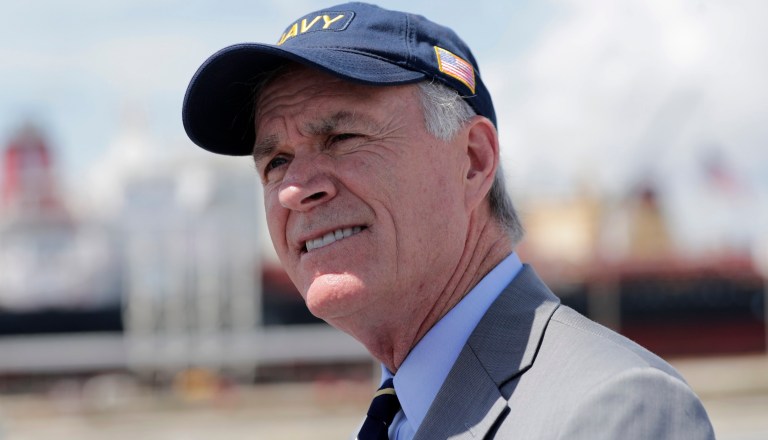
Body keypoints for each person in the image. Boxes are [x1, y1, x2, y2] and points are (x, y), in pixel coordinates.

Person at [182, 3, 715, 439]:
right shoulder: (399, 418)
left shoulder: (616, 411)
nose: (297, 189)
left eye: (342, 139)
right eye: (276, 162)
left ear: (474, 160)